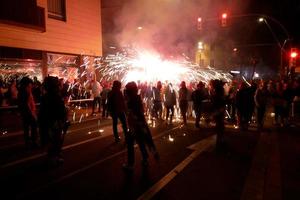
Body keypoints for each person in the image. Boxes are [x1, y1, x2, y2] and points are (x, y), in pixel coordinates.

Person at [123, 81, 159, 171]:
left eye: (127, 90)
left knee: (131, 144)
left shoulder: (131, 101)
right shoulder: (137, 98)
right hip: (141, 124)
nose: (125, 91)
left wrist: (132, 126)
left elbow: (132, 114)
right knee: (142, 141)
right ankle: (147, 157)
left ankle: (131, 164)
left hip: (135, 126)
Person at [39, 76, 68, 164]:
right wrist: (65, 112)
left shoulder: (45, 96)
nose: (60, 86)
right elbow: (60, 111)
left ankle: (52, 156)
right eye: (59, 84)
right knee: (56, 140)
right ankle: (54, 158)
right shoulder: (56, 97)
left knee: (51, 140)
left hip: (47, 122)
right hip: (55, 122)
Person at [18, 77, 38, 148]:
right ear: (26, 85)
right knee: (33, 126)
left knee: (27, 128)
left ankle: (28, 143)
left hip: (27, 112)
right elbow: (26, 104)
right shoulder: (24, 92)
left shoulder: (24, 91)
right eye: (29, 85)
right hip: (28, 113)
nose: (31, 86)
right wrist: (32, 113)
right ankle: (33, 142)